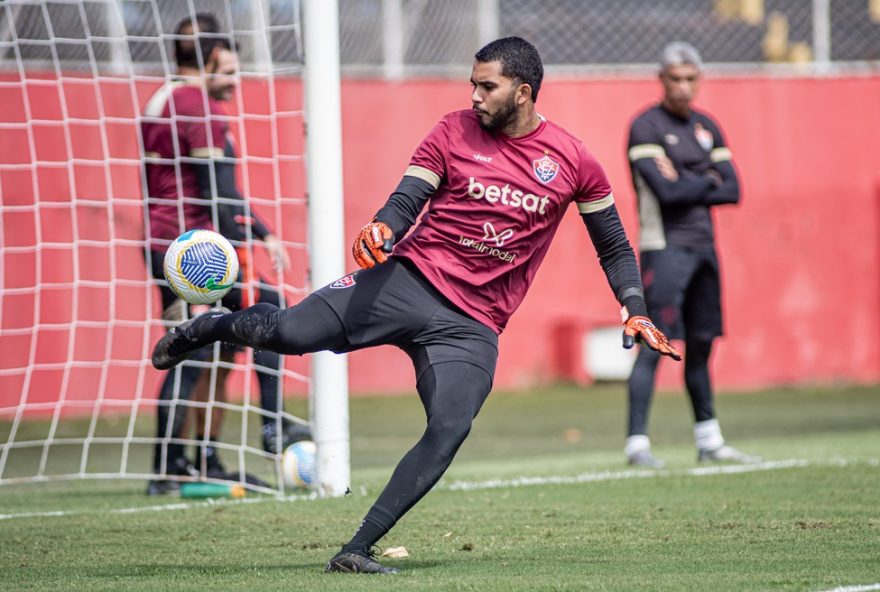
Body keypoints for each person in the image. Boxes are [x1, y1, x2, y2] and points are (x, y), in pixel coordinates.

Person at [152, 36, 681, 573]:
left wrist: (633, 306)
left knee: (450, 427)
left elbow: (613, 245)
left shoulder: (574, 161)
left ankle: (356, 549)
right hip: (406, 281)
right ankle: (212, 325)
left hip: (472, 326)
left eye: (487, 86)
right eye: (472, 83)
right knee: (288, 334)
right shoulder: (452, 130)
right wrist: (384, 224)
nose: (474, 95)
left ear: (523, 93)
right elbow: (409, 198)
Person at [142, 14, 309, 495]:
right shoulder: (196, 106)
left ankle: (198, 460)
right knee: (263, 310)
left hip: (169, 244)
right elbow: (220, 190)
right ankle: (269, 428)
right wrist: (263, 233)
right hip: (195, 252)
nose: (236, 81)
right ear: (207, 60)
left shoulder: (163, 99)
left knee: (215, 349)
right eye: (230, 71)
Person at [623, 42, 759, 469]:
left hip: (704, 249)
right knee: (653, 345)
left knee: (701, 344)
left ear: (699, 80)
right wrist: (706, 178)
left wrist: (686, 178)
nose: (683, 87)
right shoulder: (645, 127)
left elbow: (734, 189)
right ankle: (637, 444)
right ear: (662, 79)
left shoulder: (707, 126)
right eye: (675, 78)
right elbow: (666, 193)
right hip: (663, 248)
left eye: (690, 79)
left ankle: (709, 439)